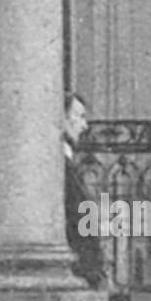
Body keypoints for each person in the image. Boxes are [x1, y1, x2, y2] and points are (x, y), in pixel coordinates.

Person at [63, 92, 105, 289]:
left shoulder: (68, 163)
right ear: (61, 119)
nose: (85, 125)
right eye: (79, 116)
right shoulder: (60, 166)